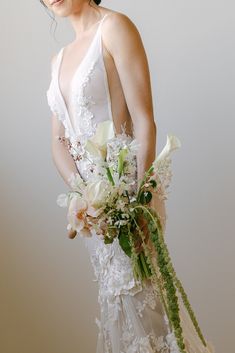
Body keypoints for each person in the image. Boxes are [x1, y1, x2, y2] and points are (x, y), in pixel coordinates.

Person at [42, 1, 215, 352]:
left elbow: (144, 119)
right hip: (96, 214)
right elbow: (58, 140)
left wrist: (134, 200)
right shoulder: (57, 60)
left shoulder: (115, 27)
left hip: (128, 199)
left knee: (142, 304)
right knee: (115, 306)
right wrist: (87, 199)